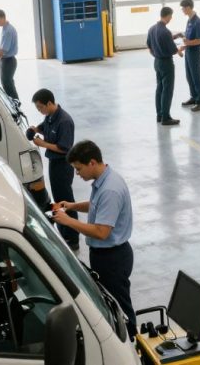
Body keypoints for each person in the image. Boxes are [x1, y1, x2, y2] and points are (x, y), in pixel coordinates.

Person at [54, 140, 137, 338]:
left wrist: (68, 221)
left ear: (92, 163)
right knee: (112, 303)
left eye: (78, 168)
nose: (77, 174)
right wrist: (72, 207)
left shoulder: (110, 189)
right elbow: (96, 206)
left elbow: (101, 231)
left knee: (120, 307)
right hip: (106, 255)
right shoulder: (104, 181)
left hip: (112, 258)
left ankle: (131, 342)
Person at [29, 89, 78, 250]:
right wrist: (35, 130)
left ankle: (72, 237)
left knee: (65, 201)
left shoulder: (64, 121)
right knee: (58, 199)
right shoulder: (50, 116)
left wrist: (43, 144)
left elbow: (65, 148)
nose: (40, 111)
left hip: (63, 165)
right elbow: (44, 127)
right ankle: (64, 232)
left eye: (40, 107)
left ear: (49, 103)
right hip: (54, 164)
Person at [146, 7, 179, 126]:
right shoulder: (165, 31)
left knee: (159, 88)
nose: (171, 18)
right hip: (166, 63)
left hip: (157, 62)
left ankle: (159, 115)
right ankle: (166, 117)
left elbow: (149, 47)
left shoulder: (152, 29)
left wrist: (157, 54)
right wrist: (179, 49)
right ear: (168, 16)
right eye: (171, 16)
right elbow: (174, 50)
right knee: (167, 90)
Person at [175, 0, 200, 112]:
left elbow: (199, 40)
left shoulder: (198, 22)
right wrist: (184, 46)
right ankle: (193, 97)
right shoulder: (189, 20)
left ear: (188, 7)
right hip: (188, 52)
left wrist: (188, 43)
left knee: (196, 77)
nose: (182, 10)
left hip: (195, 53)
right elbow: (188, 38)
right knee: (189, 76)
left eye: (183, 8)